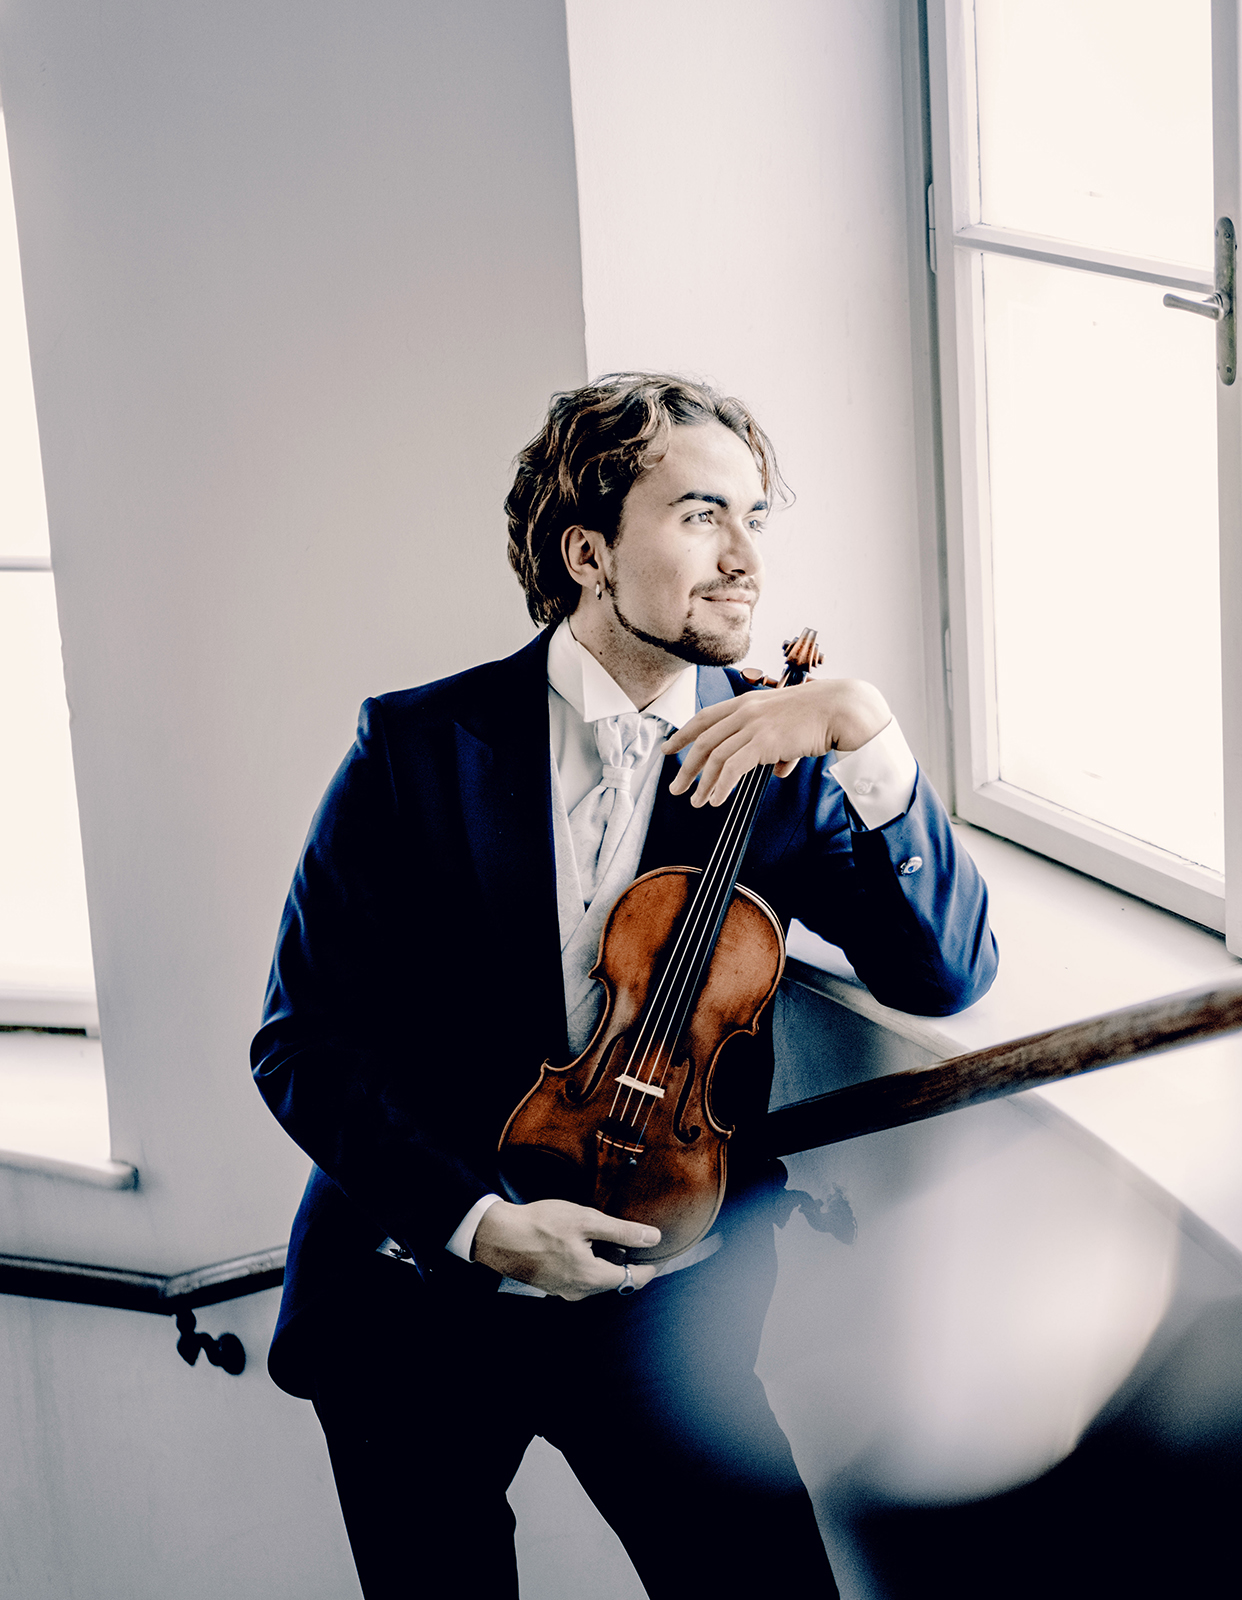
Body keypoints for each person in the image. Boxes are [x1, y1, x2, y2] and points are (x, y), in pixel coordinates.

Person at [251, 372, 998, 1599]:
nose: (745, 559)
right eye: (702, 515)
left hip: (667, 1307)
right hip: (419, 1289)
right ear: (587, 552)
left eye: (755, 518)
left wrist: (867, 733)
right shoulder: (415, 749)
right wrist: (481, 1223)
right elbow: (303, 1041)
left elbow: (946, 973)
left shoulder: (783, 755)